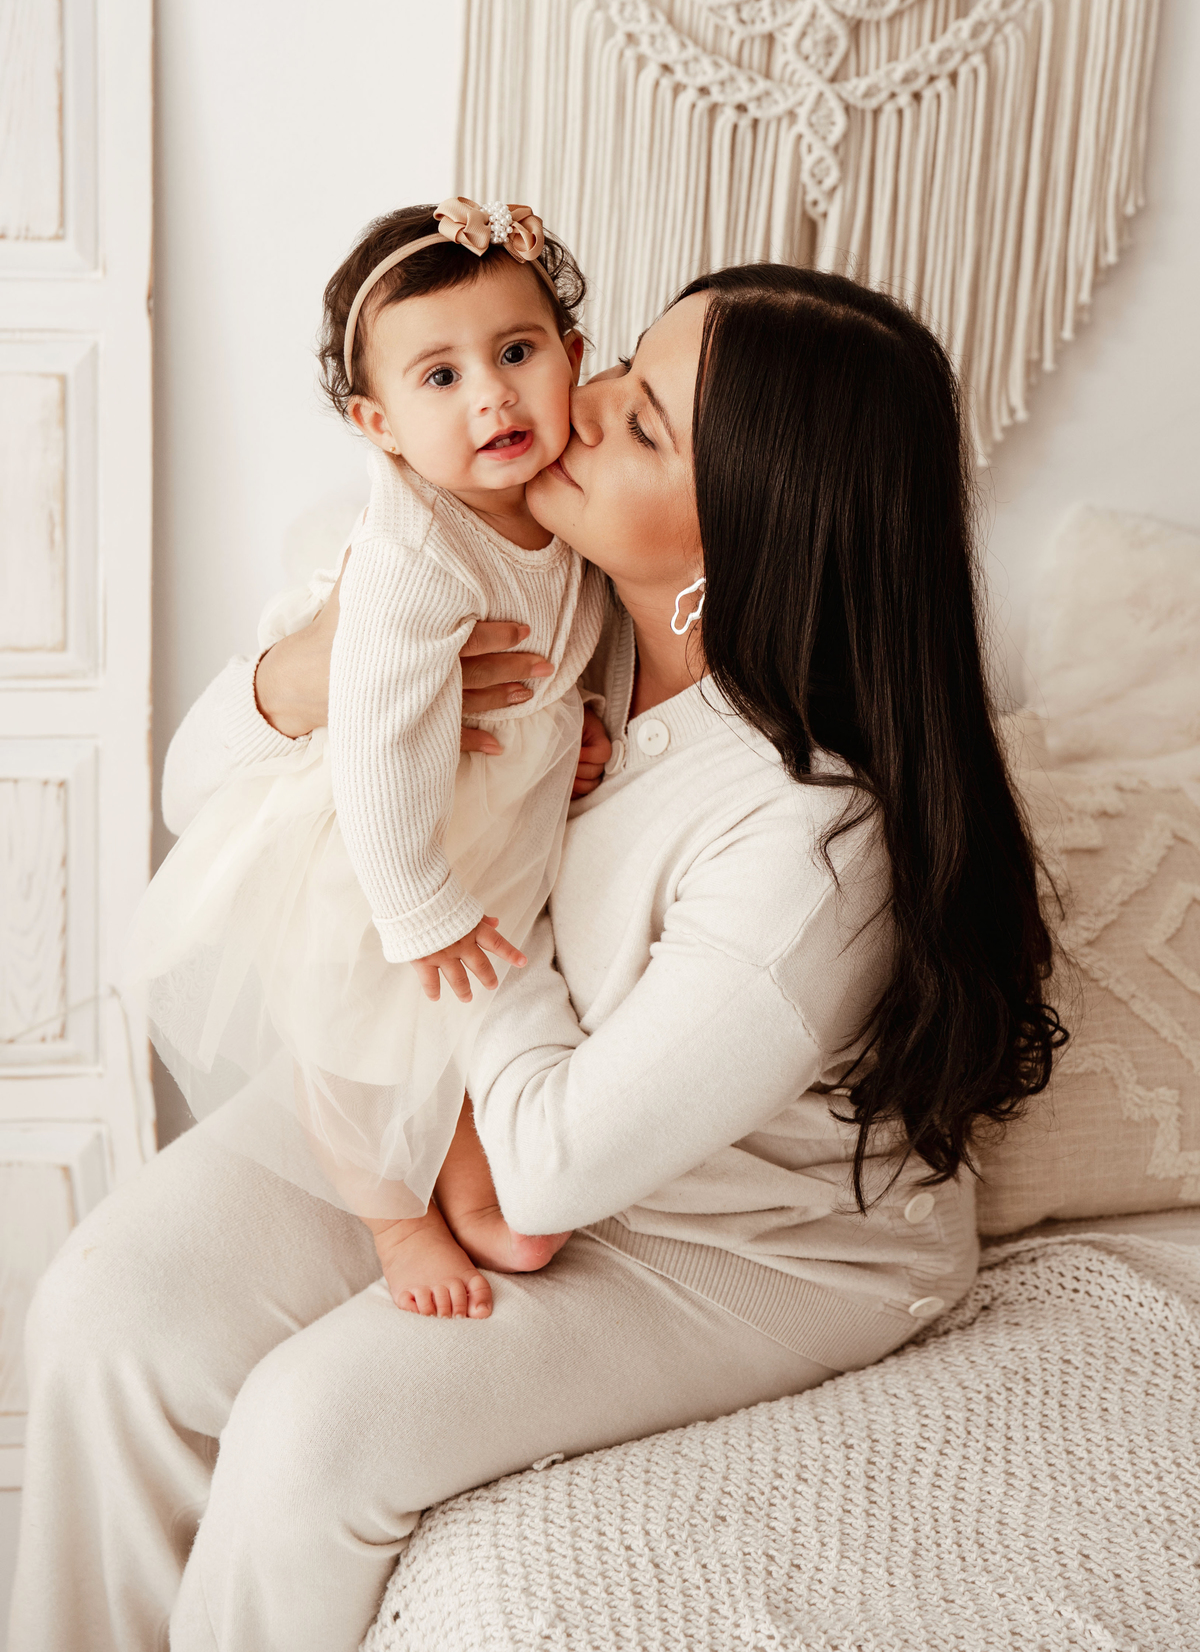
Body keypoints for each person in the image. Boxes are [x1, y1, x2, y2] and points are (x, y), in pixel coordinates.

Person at [9, 265, 1065, 1652]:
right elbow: (199, 785)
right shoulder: (517, 575)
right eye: (622, 364)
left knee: (310, 1438)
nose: (581, 403)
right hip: (475, 1098)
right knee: (109, 1302)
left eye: (644, 426)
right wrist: (325, 672)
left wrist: (449, 893)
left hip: (737, 1233)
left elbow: (561, 1160)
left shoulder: (812, 845)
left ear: (745, 532)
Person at [123, 196, 608, 1316]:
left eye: (518, 352)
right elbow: (379, 762)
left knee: (467, 1074)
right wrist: (415, 902)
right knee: (357, 1035)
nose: (491, 393)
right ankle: (395, 1221)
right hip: (379, 859)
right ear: (379, 424)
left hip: (484, 841)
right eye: (439, 377)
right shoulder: (412, 557)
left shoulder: (561, 498)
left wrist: (592, 721)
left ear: (572, 358)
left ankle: (466, 1172)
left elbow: (601, 629)